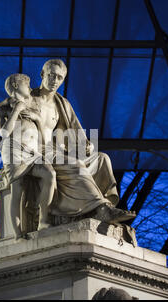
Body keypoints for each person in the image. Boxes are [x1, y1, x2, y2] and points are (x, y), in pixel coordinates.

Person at [30, 59, 136, 224]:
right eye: (51, 75)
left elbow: (76, 132)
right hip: (37, 152)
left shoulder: (62, 104)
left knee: (102, 159)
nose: (54, 80)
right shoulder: (28, 99)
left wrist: (87, 145)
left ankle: (100, 207)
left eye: (59, 77)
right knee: (76, 165)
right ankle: (101, 209)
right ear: (42, 74)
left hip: (58, 152)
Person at [0, 73, 55, 237]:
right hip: (14, 151)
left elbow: (44, 138)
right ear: (16, 86)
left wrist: (37, 118)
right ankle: (17, 233)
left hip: (32, 153)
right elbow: (4, 132)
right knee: (16, 191)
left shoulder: (32, 107)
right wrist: (17, 109)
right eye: (27, 84)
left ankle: (44, 220)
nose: (30, 88)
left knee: (50, 174)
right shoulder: (4, 107)